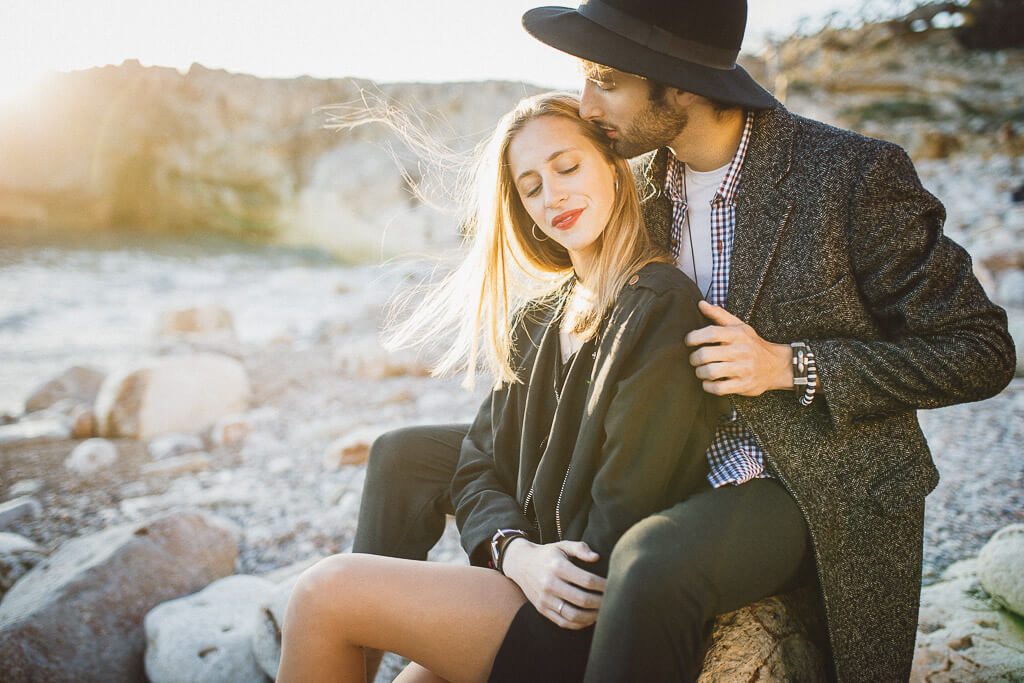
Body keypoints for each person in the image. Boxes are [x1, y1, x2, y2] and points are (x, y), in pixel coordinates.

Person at [352, 1, 1017, 681]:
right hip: (650, 442)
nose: (586, 103)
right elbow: (572, 289)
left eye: (604, 80)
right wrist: (513, 542)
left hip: (793, 473)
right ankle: (361, 649)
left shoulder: (847, 176)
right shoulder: (634, 177)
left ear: (681, 84)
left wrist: (792, 365)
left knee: (652, 562)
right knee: (404, 458)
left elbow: (982, 350)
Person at [277, 92, 722, 682]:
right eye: (531, 185)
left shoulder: (660, 305)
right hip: (528, 579)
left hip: (587, 615)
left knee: (324, 592)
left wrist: (539, 570)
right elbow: (476, 463)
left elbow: (623, 512)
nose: (553, 194)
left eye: (568, 167)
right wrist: (516, 553)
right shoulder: (537, 319)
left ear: (615, 168)